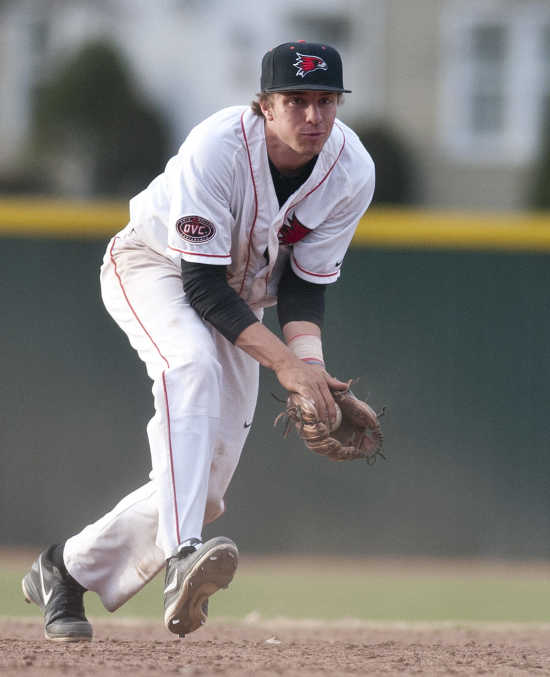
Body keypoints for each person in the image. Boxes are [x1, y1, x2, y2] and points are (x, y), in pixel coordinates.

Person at [22, 40, 375, 642]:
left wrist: (312, 371)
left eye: (326, 101)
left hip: (245, 300)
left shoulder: (351, 171)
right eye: (297, 100)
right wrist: (287, 367)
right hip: (155, 266)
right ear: (265, 104)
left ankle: (65, 569)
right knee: (189, 367)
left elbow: (304, 290)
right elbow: (203, 287)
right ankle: (182, 554)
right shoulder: (217, 148)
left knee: (202, 484)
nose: (313, 116)